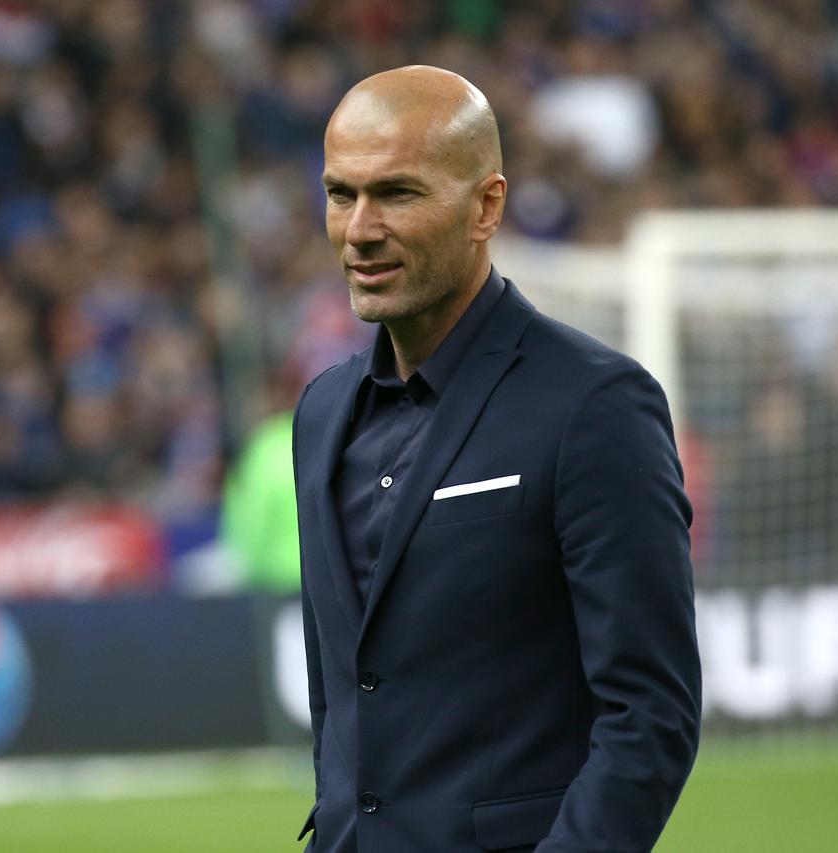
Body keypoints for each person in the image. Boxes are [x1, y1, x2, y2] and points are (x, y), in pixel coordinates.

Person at [292, 66, 701, 852]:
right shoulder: (319, 413)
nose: (360, 228)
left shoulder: (595, 405)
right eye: (342, 194)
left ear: (486, 206)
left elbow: (651, 714)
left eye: (398, 193)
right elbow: (342, 698)